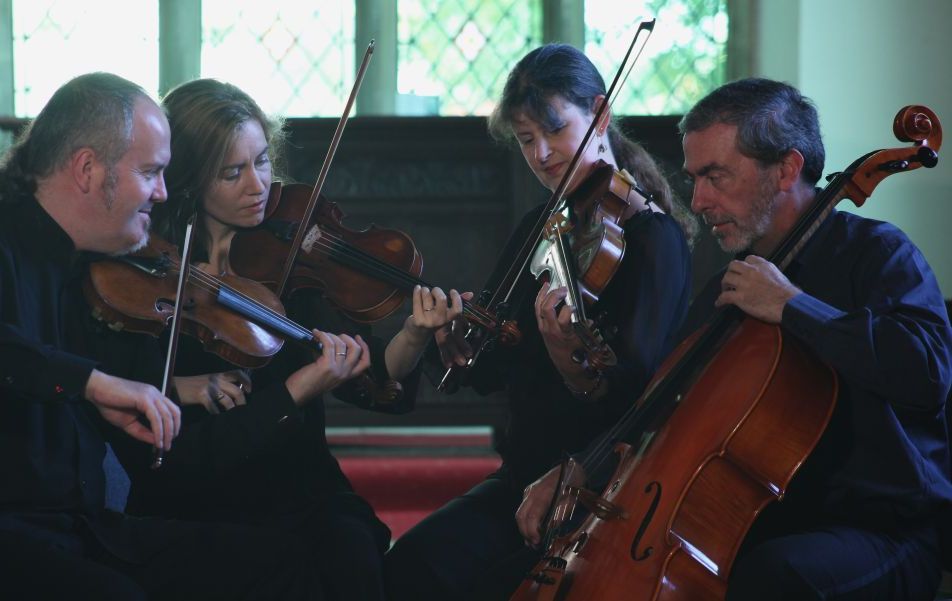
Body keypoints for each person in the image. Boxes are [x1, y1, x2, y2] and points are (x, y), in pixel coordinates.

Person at [517, 77, 952, 600]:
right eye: (694, 179)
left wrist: (793, 307)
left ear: (787, 169)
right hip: (761, 522)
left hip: (882, 530)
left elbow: (927, 374)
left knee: (770, 578)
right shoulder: (730, 286)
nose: (698, 201)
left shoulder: (878, 254)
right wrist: (582, 467)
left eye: (716, 176)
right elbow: (661, 409)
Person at [106, 78, 461, 601]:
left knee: (352, 556)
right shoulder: (147, 283)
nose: (259, 186)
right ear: (189, 178)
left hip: (302, 489)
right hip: (201, 496)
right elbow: (158, 435)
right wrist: (293, 388)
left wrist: (412, 332)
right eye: (233, 172)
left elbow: (375, 381)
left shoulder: (290, 263)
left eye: (263, 161)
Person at [383, 43, 697, 600]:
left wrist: (571, 358)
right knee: (410, 564)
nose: (543, 153)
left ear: (600, 115)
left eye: (555, 130)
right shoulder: (541, 223)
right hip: (522, 475)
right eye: (527, 140)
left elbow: (643, 395)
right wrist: (459, 343)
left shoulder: (653, 238)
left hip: (601, 487)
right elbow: (496, 363)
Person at [0, 72, 325, 600]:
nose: (164, 193)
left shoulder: (82, 263)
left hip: (81, 528)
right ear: (87, 169)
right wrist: (94, 384)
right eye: (150, 172)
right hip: (16, 535)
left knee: (281, 563)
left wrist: (164, 388)